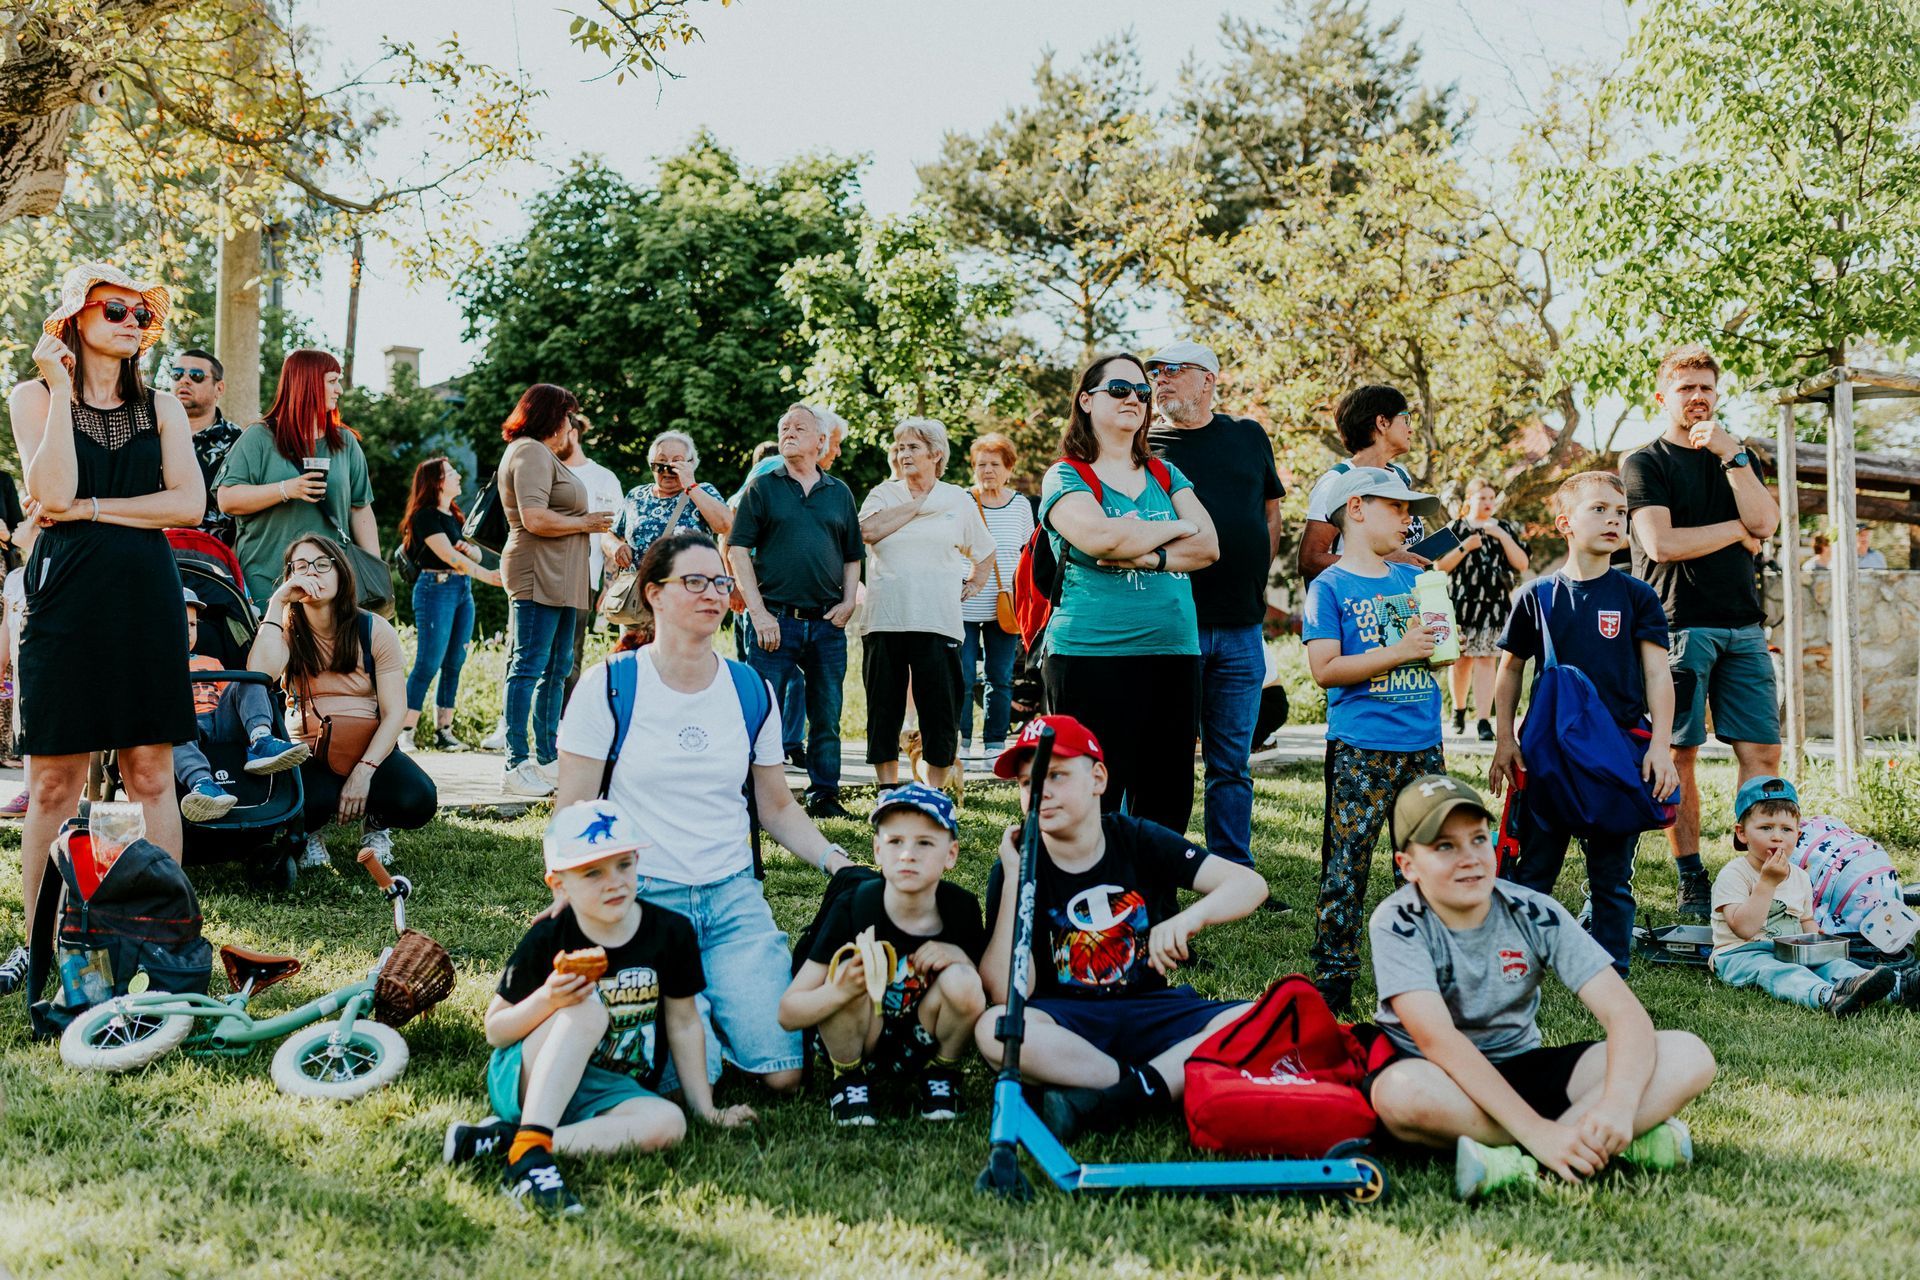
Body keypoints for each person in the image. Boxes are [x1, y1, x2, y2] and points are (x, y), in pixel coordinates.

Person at [553, 529, 858, 1100]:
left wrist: (835, 862)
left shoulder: (751, 689)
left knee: (784, 1073)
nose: (713, 593)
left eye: (720, 582)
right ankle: (701, 1022)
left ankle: (717, 1003)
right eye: (694, 582)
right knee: (678, 1080)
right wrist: (575, 901)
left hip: (732, 898)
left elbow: (777, 806)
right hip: (642, 905)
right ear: (654, 595)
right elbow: (572, 810)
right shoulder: (609, 686)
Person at [1365, 775, 1717, 1201]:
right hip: (1441, 1076)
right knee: (1399, 1094)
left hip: (1523, 1067)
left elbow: (1623, 1014)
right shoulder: (1397, 920)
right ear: (1408, 866)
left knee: (1687, 1054)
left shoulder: (1533, 910)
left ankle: (1521, 1160)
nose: (1469, 857)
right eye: (1444, 847)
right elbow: (1438, 1041)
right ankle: (1582, 1144)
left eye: (1478, 839)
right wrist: (1537, 1131)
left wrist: (1619, 1106)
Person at [7, 263, 201, 959]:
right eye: (113, 310)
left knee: (151, 772)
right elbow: (49, 489)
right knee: (55, 779)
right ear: (74, 321)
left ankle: (165, 942)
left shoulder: (164, 407)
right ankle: (38, 942)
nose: (130, 323)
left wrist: (91, 508)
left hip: (145, 595)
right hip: (64, 594)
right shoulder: (33, 396)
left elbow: (188, 504)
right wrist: (61, 387)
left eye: (139, 315)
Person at [444, 801, 755, 1216]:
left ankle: (508, 1141)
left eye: (624, 865)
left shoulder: (670, 932)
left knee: (669, 1124)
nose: (614, 883)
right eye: (593, 872)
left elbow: (684, 1024)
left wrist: (705, 1109)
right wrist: (549, 999)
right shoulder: (551, 937)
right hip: (528, 1075)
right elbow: (496, 1030)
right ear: (559, 884)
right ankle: (530, 1160)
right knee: (588, 1010)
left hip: (610, 1088)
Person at [976, 715, 1268, 1141]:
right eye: (1028, 783)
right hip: (1068, 1023)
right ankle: (1144, 1084)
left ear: (1098, 778)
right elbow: (1008, 994)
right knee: (994, 1027)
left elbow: (1249, 884)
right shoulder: (1016, 864)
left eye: (1055, 775)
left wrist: (1189, 918)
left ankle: (1119, 1095)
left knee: (1258, 1018)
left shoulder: (1135, 838)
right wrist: (1019, 881)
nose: (1041, 792)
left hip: (1151, 1009)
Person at [1489, 472, 1679, 974]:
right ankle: (1517, 960)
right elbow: (1509, 671)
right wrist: (1504, 740)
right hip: (1546, 757)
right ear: (1565, 524)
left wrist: (1660, 746)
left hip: (1616, 757)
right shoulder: (1536, 596)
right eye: (1599, 509)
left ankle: (1613, 968)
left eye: (1620, 512)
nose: (1614, 519)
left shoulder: (1638, 597)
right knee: (1534, 871)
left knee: (1612, 878)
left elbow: (1658, 674)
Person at [1623, 344, 1781, 921]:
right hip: (1677, 624)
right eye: (1685, 388)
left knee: (1762, 750)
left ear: (1717, 394)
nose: (1697, 397)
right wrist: (1739, 529)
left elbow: (1766, 524)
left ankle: (1762, 871)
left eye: (1706, 388)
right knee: (1680, 753)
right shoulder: (1645, 463)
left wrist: (1733, 459)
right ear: (1662, 396)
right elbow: (1661, 544)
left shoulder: (1739, 457)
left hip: (1743, 625)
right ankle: (1692, 878)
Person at [1039, 352, 1219, 835]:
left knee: (1165, 800)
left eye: (1142, 392)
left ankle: (1151, 906)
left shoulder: (1164, 474)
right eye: (1119, 390)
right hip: (1090, 654)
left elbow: (1208, 546)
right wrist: (1177, 528)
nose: (1134, 399)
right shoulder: (1067, 475)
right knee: (1086, 798)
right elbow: (1101, 539)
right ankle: (1082, 901)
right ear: (1086, 400)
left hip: (1173, 654)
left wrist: (1150, 554)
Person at [1301, 466, 1447, 1014]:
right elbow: (1325, 667)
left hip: (1422, 743)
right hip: (1362, 747)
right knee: (1347, 862)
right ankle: (1336, 972)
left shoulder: (1414, 580)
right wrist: (1402, 649)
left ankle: (1420, 968)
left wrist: (1438, 631)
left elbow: (1439, 652)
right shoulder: (1331, 586)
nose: (1410, 521)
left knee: (1423, 861)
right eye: (1399, 509)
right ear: (1357, 510)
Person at [1145, 340, 1285, 876]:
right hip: (1170, 627)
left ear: (1208, 379)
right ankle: (1159, 865)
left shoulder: (1247, 436)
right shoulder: (1143, 445)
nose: (1160, 380)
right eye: (1155, 371)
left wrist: (1255, 569)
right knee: (1164, 763)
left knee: (1232, 763)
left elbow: (1269, 511)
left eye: (1173, 370)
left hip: (1242, 626)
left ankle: (1235, 870)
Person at [778, 782, 988, 1126]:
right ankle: (848, 1079)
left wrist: (959, 957)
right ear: (877, 850)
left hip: (919, 1041)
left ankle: (940, 1075)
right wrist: (838, 991)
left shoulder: (960, 908)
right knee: (845, 968)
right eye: (895, 842)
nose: (907, 854)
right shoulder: (855, 905)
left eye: (924, 842)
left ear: (951, 854)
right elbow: (788, 1012)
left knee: (964, 979)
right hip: (860, 1039)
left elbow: (981, 995)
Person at [249, 535, 439, 870]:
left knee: (418, 797)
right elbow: (259, 673)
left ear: (341, 572)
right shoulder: (285, 629)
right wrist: (278, 602)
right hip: (309, 752)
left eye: (323, 565)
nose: (313, 574)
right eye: (301, 567)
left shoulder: (374, 629)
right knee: (301, 805)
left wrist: (364, 772)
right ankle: (311, 832)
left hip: (369, 746)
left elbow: (395, 712)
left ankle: (377, 825)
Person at [728, 404, 864, 820]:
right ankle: (753, 798)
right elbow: (737, 550)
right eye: (784, 426)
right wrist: (759, 613)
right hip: (775, 622)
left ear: (821, 441)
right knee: (760, 715)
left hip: (826, 624)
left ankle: (825, 794)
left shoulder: (839, 492)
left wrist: (847, 602)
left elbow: (852, 554)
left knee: (827, 715)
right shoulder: (763, 488)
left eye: (799, 427)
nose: (788, 432)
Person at [857, 417, 996, 790]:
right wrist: (918, 503)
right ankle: (887, 789)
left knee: (940, 710)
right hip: (885, 618)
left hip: (938, 620)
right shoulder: (884, 494)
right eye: (899, 447)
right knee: (883, 709)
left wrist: (975, 582)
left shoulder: (958, 499)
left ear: (936, 454)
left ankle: (933, 792)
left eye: (912, 447)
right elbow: (867, 531)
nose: (903, 453)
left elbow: (984, 551)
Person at [494, 385, 613, 798]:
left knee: (558, 667)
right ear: (550, 416)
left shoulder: (544, 454)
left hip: (565, 577)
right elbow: (534, 518)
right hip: (536, 571)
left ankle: (546, 758)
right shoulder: (527, 451)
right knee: (528, 666)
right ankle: (516, 763)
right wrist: (587, 523)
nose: (570, 426)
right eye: (567, 416)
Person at [1709, 776, 1910, 1016]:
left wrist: (1816, 939)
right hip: (1740, 955)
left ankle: (1898, 989)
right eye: (1765, 828)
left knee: (1834, 964)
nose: (1777, 837)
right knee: (1778, 971)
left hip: (1788, 951)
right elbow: (1744, 929)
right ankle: (1827, 996)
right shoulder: (1734, 874)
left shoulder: (1800, 877)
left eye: (1786, 829)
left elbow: (1805, 920)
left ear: (1798, 834)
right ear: (1742, 833)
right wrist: (1767, 882)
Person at [212, 348, 378, 608]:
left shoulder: (345, 443)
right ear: (308, 382)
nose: (339, 390)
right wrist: (287, 489)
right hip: (267, 578)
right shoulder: (259, 437)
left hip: (330, 583)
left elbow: (360, 509)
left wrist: (372, 571)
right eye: (332, 381)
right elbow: (227, 498)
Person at [174, 587, 310, 822]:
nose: (187, 631)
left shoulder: (211, 662)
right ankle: (204, 785)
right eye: (178, 622)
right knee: (171, 728)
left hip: (220, 719)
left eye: (193, 625)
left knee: (249, 679)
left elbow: (235, 696)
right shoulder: (157, 668)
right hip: (187, 725)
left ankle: (261, 740)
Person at [398, 457, 500, 752]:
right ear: (437, 481)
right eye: (451, 473)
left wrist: (474, 554)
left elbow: (470, 555)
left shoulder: (455, 516)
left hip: (460, 590)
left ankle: (444, 731)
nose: (458, 476)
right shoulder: (425, 517)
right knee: (428, 662)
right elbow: (451, 557)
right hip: (435, 589)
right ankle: (406, 730)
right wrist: (488, 576)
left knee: (454, 662)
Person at [1298, 384, 1431, 585]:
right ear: (1382, 423)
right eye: (1405, 419)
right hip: (1359, 605)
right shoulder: (1337, 482)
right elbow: (1309, 561)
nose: (1410, 429)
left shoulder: (1400, 476)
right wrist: (1386, 560)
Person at [957, 432, 1034, 764]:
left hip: (1005, 607)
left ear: (1009, 468)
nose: (987, 470)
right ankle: (960, 741)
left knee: (999, 677)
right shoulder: (962, 501)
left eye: (994, 464)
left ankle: (993, 744)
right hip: (964, 602)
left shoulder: (1020, 505)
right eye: (981, 464)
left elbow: (1027, 554)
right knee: (960, 676)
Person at [1436, 477, 1529, 740]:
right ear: (1469, 501)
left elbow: (1521, 563)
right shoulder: (1455, 527)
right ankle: (1458, 710)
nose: (1488, 503)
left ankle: (1484, 720)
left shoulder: (1504, 527)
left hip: (1493, 606)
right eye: (1482, 498)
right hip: (1460, 605)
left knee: (1487, 660)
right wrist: (1466, 546)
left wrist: (1500, 535)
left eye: (1491, 498)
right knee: (1461, 661)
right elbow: (1439, 566)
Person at [559, 419, 625, 704]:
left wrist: (610, 585)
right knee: (524, 652)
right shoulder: (544, 471)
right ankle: (508, 723)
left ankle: (562, 722)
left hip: (584, 578)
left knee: (570, 653)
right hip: (539, 576)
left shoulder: (604, 478)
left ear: (573, 434)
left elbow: (615, 533)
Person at [170, 349, 240, 543]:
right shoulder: (149, 435)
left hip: (213, 558)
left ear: (219, 388)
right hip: (154, 550)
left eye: (196, 375)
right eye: (177, 374)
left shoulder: (238, 441)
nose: (184, 380)